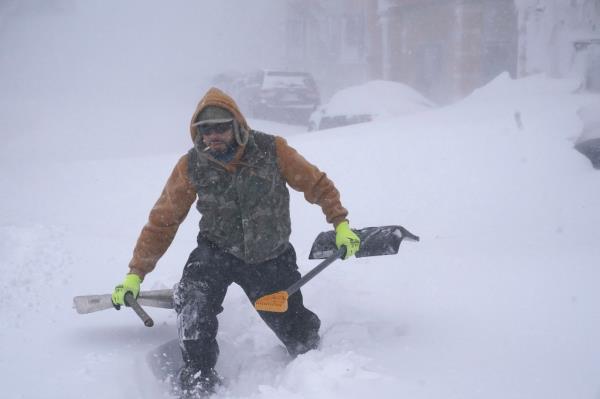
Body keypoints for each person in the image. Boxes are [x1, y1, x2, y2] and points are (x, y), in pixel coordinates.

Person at [111, 88, 360, 397]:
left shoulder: (272, 150)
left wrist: (341, 224)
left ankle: (313, 361)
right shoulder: (191, 165)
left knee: (299, 336)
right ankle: (199, 376)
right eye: (205, 130)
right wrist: (136, 273)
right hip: (216, 251)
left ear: (237, 125)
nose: (213, 135)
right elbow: (163, 221)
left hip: (270, 256)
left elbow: (317, 184)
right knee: (194, 301)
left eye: (220, 127)